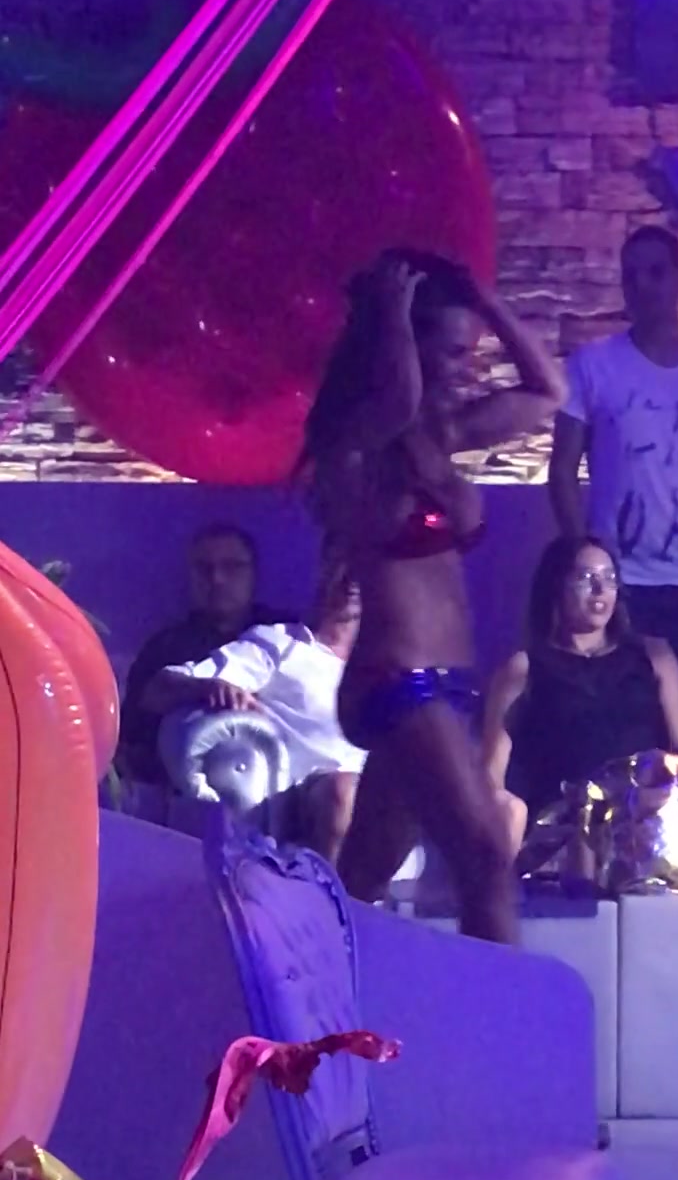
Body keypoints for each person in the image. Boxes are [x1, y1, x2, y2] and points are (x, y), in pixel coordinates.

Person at [303, 250, 565, 942]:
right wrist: (390, 314)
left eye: (468, 352)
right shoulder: (350, 445)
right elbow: (396, 402)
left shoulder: (440, 438)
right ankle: (506, 1013)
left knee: (363, 878)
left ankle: (316, 981)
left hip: (447, 685)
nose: (463, 369)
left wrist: (488, 302)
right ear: (403, 346)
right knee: (486, 860)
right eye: (448, 351)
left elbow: (548, 392)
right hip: (397, 682)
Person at [548, 225, 678, 692]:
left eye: (656, 272)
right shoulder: (591, 365)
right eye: (632, 275)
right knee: (613, 712)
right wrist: (581, 557)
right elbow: (561, 469)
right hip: (617, 582)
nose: (643, 285)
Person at [141, 548, 364, 865]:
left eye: (361, 568)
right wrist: (209, 687)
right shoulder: (280, 644)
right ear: (322, 573)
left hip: (377, 787)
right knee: (344, 791)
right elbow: (158, 689)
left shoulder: (385, 663)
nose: (351, 580)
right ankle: (325, 893)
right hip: (316, 792)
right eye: (341, 566)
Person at [482, 535, 678, 856]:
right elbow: (491, 775)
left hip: (643, 821)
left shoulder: (653, 656)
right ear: (556, 587)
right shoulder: (524, 667)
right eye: (585, 578)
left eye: (609, 578)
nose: (600, 589)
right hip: (561, 824)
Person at [119, 524, 280, 784]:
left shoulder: (283, 637)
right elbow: (134, 728)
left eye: (232, 567)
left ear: (253, 574)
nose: (217, 579)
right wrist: (201, 692)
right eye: (204, 569)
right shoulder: (165, 648)